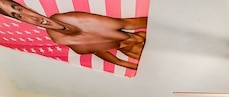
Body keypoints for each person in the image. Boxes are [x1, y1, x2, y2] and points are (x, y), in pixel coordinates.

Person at [0, 0, 147, 70]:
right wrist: (143, 69)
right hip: (143, 57)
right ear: (20, 21)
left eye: (18, 8)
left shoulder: (75, 19)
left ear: (27, 7)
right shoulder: (63, 41)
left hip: (150, 40)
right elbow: (116, 60)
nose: (26, 16)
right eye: (17, 16)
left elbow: (129, 23)